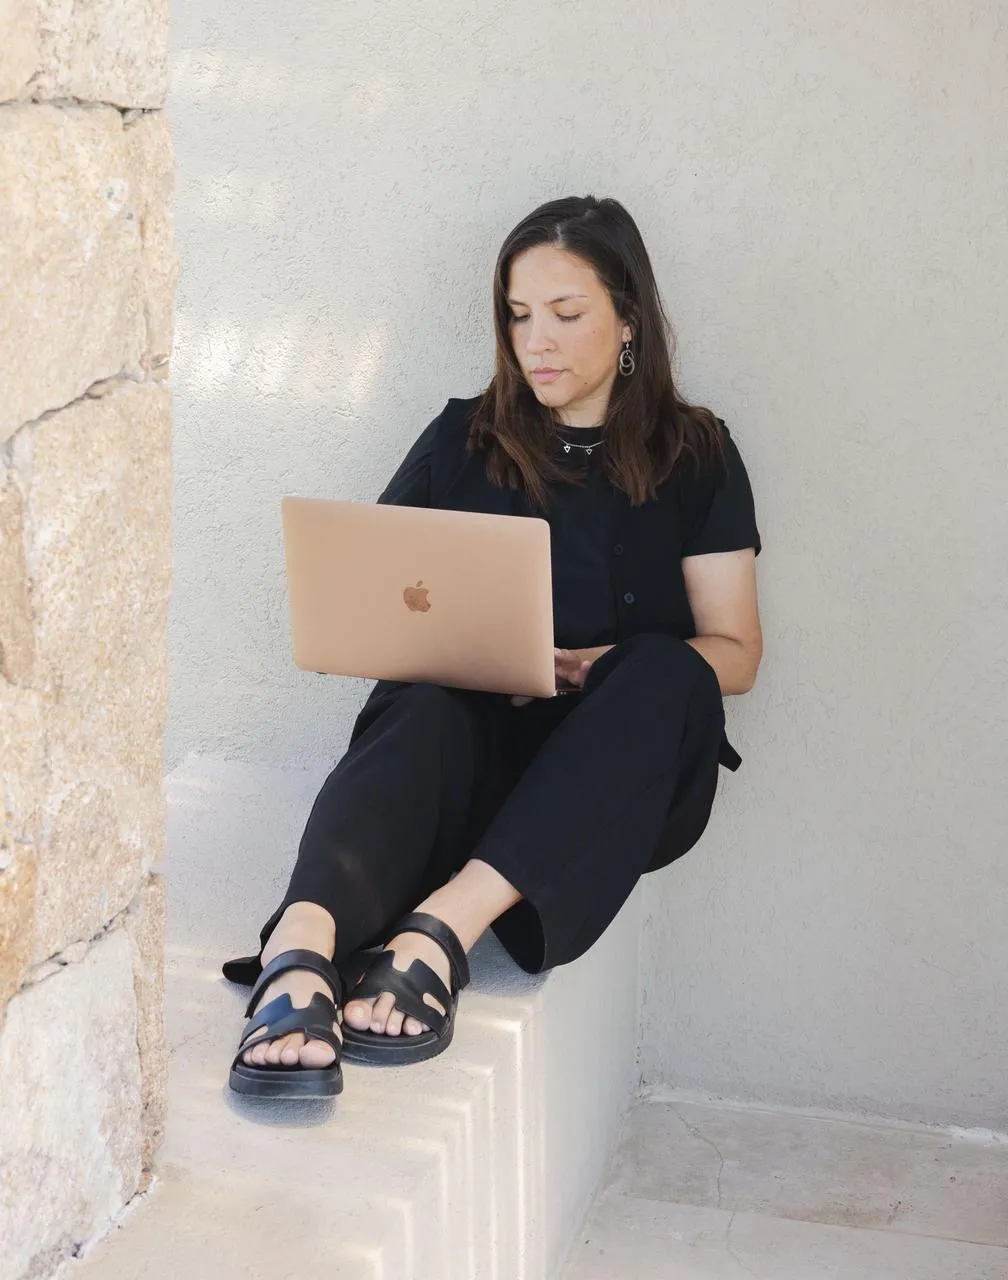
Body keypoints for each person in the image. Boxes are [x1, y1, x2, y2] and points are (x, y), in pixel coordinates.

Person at [225, 195, 763, 1099]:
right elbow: (375, 597)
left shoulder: (696, 453)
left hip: (611, 784)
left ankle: (440, 930)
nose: (537, 341)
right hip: (467, 752)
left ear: (629, 318)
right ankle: (302, 950)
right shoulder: (463, 437)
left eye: (565, 313)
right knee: (422, 697)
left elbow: (739, 652)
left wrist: (600, 667)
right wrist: (481, 653)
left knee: (668, 668)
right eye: (518, 316)